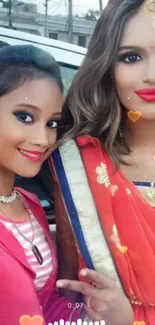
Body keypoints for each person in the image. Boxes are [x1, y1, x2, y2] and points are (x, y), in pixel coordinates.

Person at [50, 0, 155, 324]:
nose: (151, 75)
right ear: (107, 65)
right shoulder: (76, 164)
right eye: (131, 57)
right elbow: (68, 292)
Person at [0, 43, 86, 325]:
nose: (44, 139)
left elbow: (44, 306)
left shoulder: (29, 204)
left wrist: (101, 317)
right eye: (25, 117)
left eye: (52, 123)